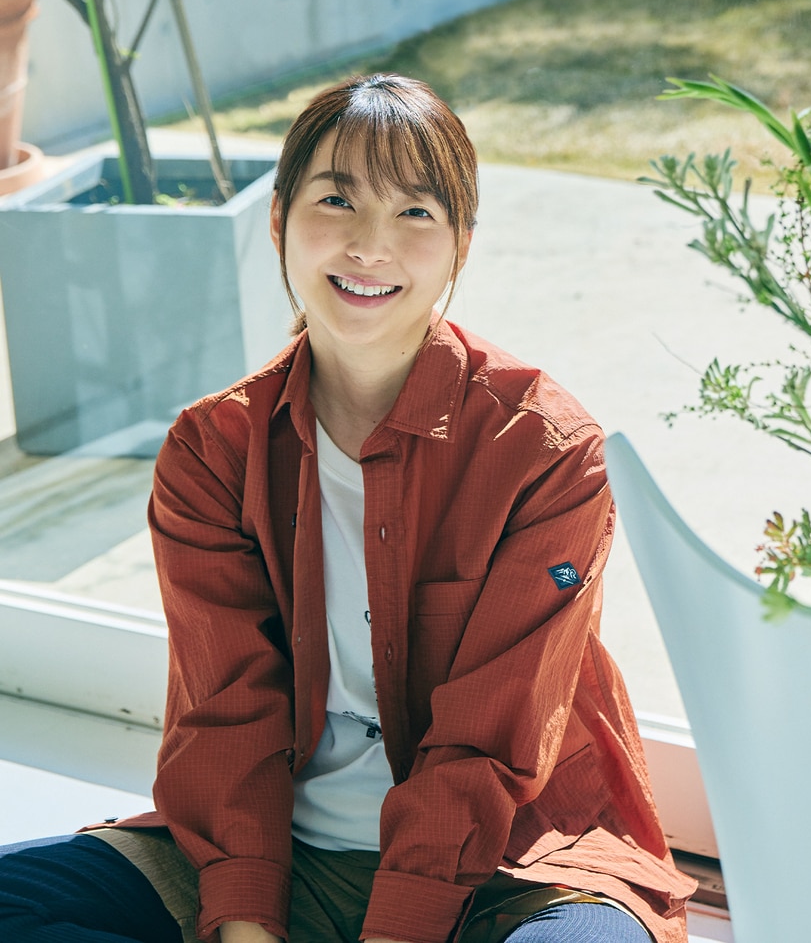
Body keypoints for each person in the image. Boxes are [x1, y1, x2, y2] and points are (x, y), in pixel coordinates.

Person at [0, 74, 695, 943]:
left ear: (461, 246)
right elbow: (226, 714)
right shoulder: (213, 451)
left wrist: (399, 926)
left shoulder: (544, 452)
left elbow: (489, 742)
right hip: (272, 849)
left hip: (507, 861)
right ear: (278, 220)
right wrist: (246, 922)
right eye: (337, 200)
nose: (371, 246)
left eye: (415, 213)